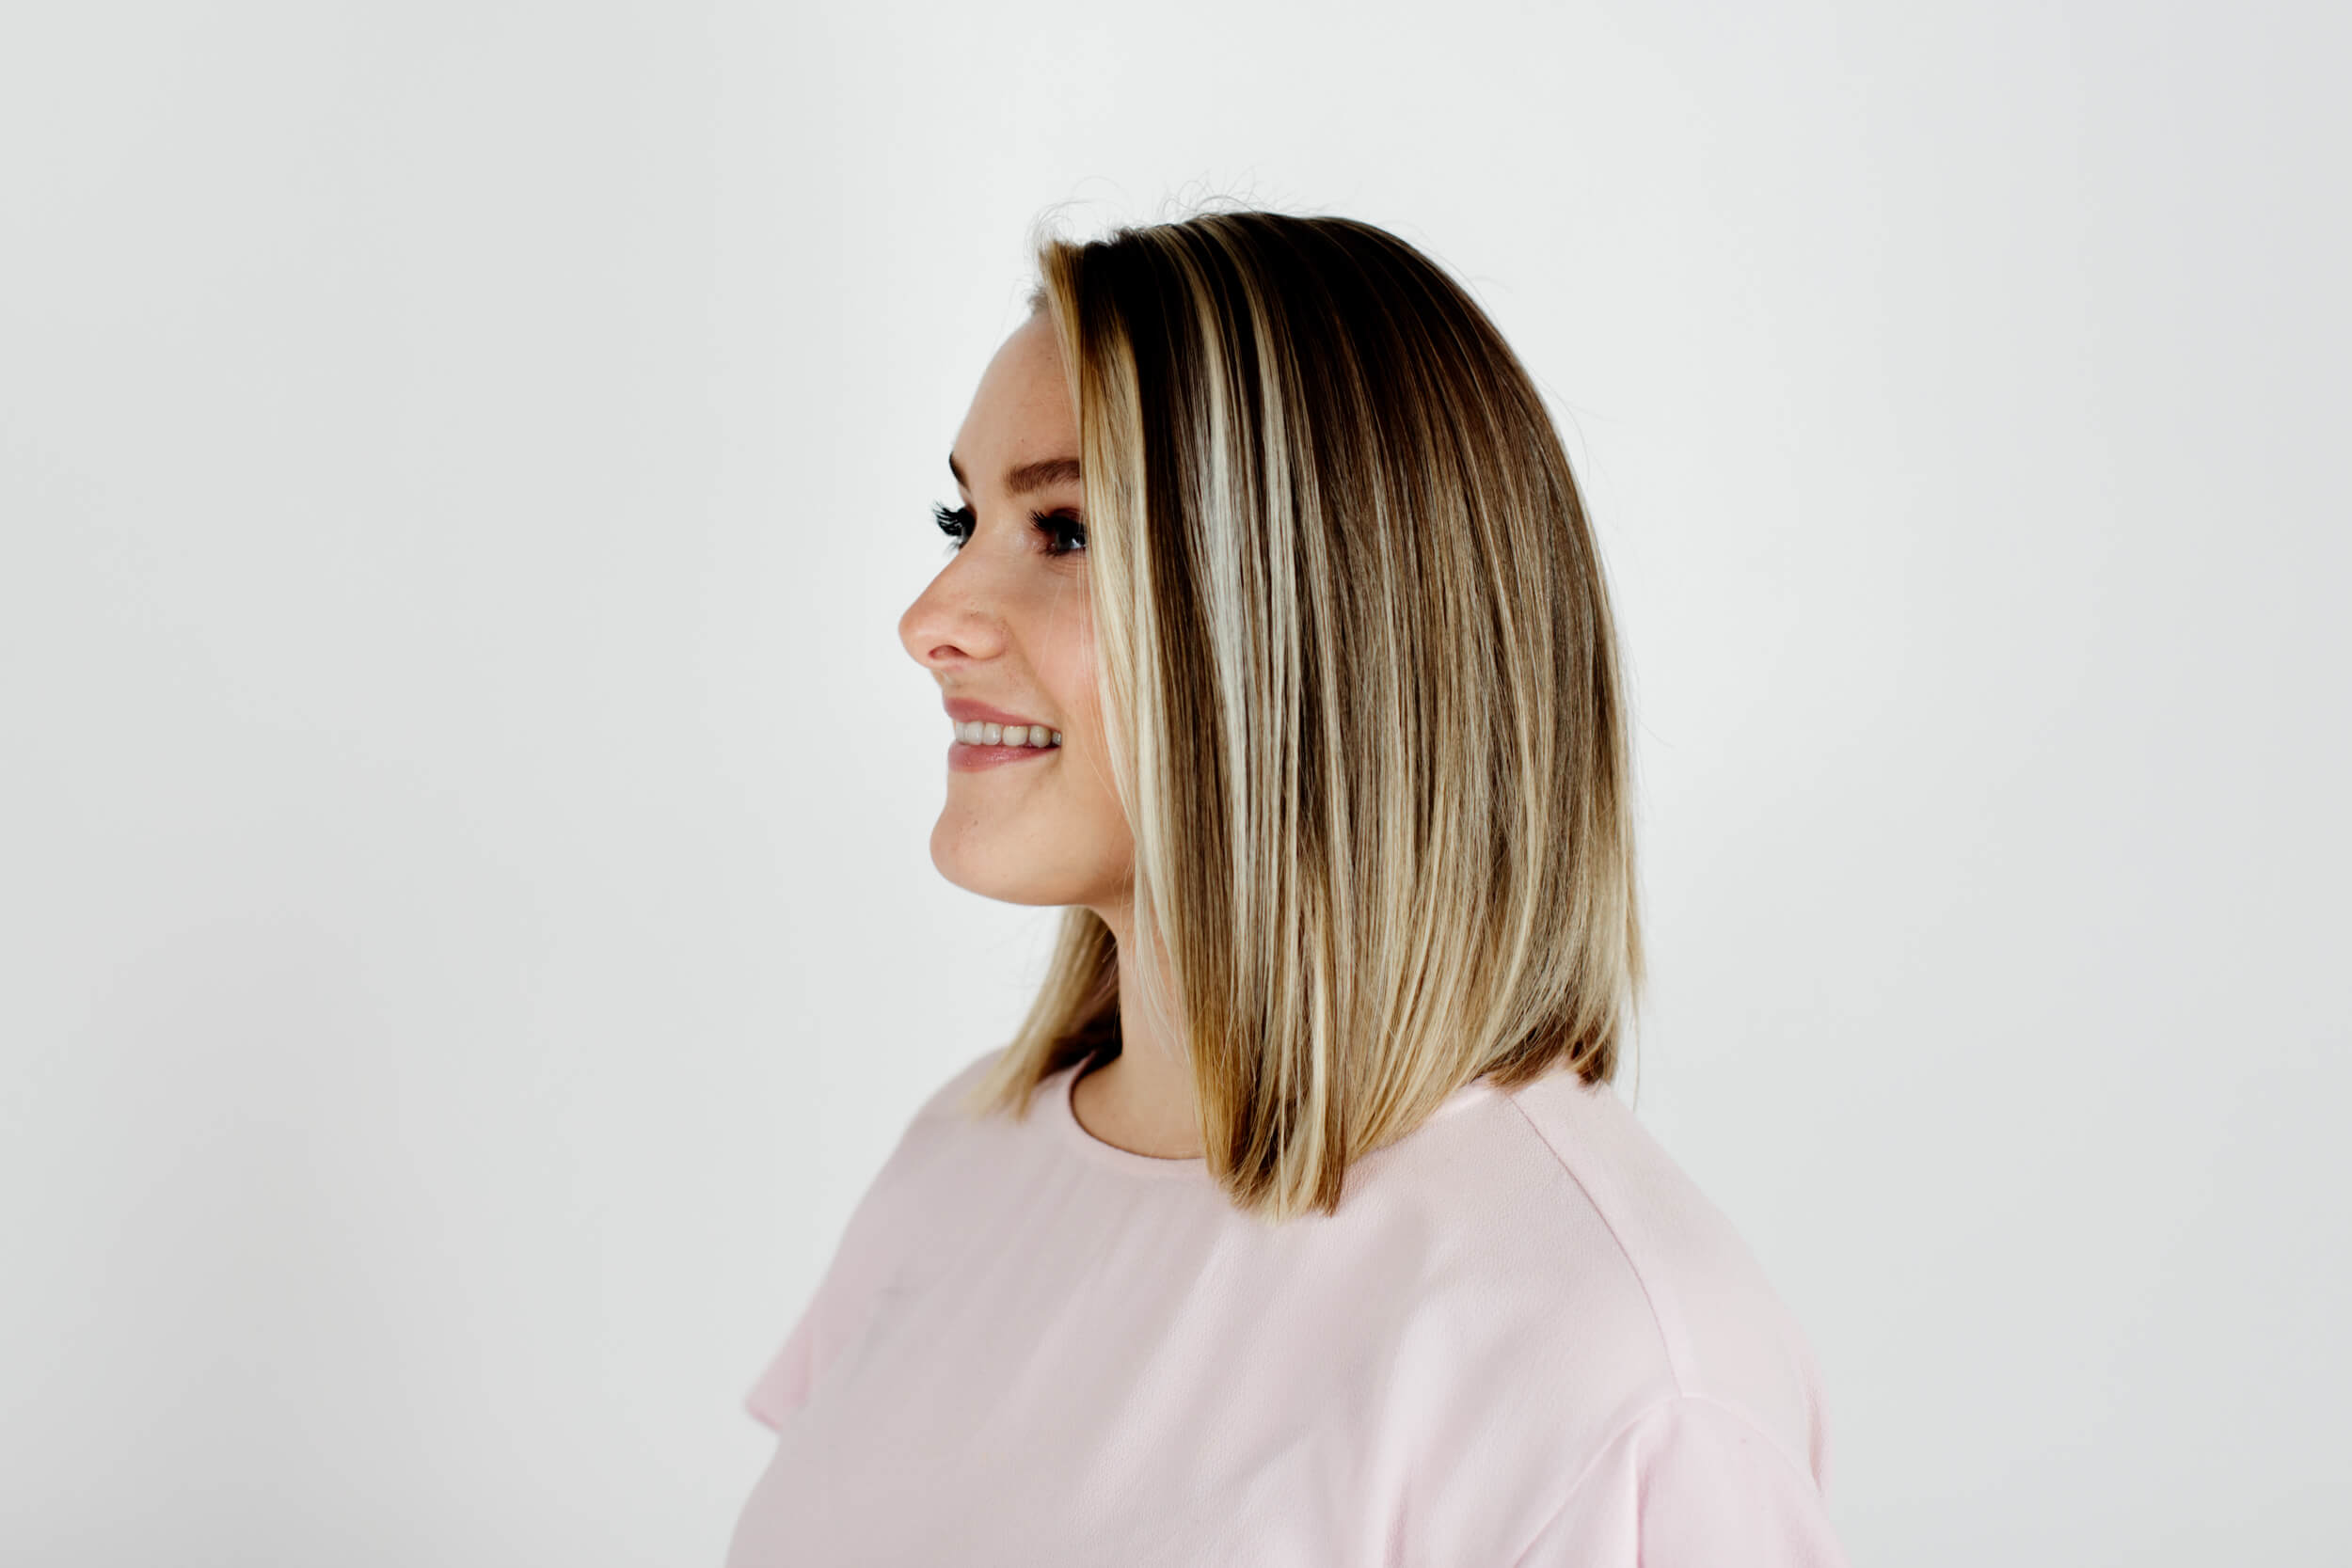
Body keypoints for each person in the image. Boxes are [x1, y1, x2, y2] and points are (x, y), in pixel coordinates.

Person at [723, 209, 1849, 1566]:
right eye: (967, 516)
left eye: (1066, 529)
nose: (932, 617)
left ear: (1312, 621)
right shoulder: (960, 1167)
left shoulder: (1616, 1368)